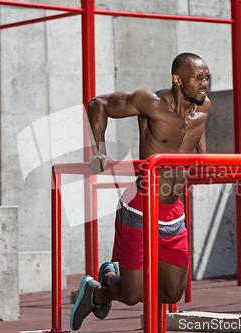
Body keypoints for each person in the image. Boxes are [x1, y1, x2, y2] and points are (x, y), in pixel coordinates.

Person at [70, 52, 211, 330]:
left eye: (207, 77)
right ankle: (105, 280)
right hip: (141, 204)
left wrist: (206, 161)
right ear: (177, 79)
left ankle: (96, 294)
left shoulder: (204, 107)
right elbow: (97, 103)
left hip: (173, 210)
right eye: (198, 77)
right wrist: (99, 151)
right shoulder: (152, 103)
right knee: (133, 295)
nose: (205, 82)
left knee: (172, 293)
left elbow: (196, 135)